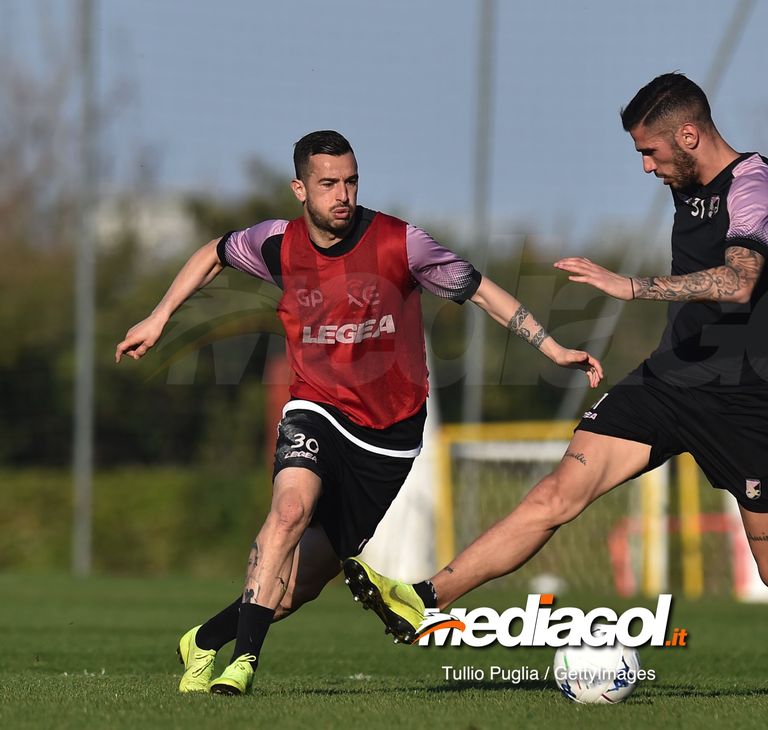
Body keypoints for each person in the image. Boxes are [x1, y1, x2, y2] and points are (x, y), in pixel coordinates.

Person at [348, 74, 768, 703]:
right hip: (665, 380)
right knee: (556, 494)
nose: (647, 166)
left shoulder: (757, 186)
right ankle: (424, 600)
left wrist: (633, 286)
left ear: (690, 134)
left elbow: (740, 280)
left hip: (739, 400)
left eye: (650, 152)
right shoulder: (688, 184)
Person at [114, 130, 603, 696]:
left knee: (300, 586)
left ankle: (202, 641)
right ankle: (240, 665)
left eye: (350, 181)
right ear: (300, 189)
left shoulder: (402, 243)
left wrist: (553, 349)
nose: (342, 195)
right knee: (290, 509)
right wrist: (158, 317)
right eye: (327, 184)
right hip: (316, 405)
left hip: (390, 434)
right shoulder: (276, 243)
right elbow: (213, 254)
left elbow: (484, 292)